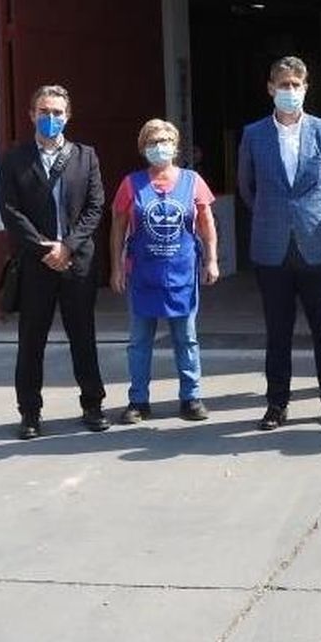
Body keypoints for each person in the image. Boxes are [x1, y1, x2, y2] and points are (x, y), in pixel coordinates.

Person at [237, 55, 321, 430]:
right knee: (278, 331)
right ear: (270, 88)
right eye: (283, 85)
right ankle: (276, 404)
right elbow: (247, 188)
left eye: (296, 85)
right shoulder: (253, 134)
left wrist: (308, 217)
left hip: (317, 243)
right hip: (272, 246)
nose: (289, 91)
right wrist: (278, 216)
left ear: (306, 88)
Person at [0, 84, 108, 440]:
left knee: (83, 335)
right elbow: (10, 210)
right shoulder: (15, 159)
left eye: (58, 112)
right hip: (35, 262)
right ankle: (30, 412)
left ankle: (93, 404)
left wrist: (68, 247)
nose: (51, 118)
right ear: (32, 114)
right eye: (44, 111)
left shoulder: (85, 156)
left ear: (68, 116)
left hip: (76, 262)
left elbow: (95, 208)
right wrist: (44, 249)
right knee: (31, 339)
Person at [108, 119, 219, 424]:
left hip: (182, 274)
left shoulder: (192, 181)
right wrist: (116, 266)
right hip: (142, 274)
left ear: (176, 146)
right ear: (144, 148)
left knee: (186, 338)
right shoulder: (131, 184)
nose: (160, 147)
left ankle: (191, 397)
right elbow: (117, 227)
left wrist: (211, 260)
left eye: (166, 141)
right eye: (153, 142)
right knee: (139, 341)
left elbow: (206, 223)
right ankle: (138, 401)